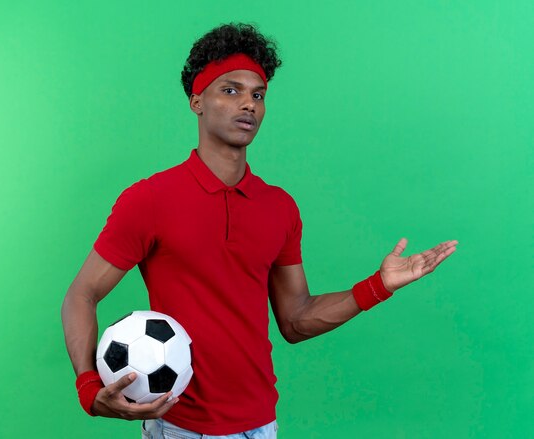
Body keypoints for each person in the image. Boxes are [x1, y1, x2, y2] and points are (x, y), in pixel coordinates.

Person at [61, 22, 458, 438]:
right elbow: (81, 295)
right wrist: (89, 387)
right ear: (197, 101)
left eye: (258, 95)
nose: (248, 104)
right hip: (179, 426)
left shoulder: (279, 207)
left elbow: (296, 320)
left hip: (261, 426)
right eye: (230, 90)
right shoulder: (150, 199)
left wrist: (378, 285)